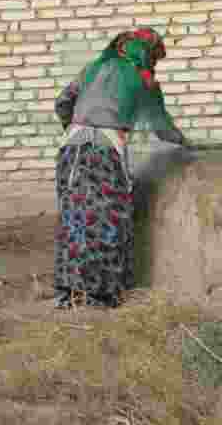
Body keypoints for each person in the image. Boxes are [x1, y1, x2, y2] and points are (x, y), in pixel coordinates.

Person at [53, 28, 187, 309]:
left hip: (70, 153)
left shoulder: (94, 68)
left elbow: (63, 102)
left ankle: (71, 293)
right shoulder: (144, 80)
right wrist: (187, 145)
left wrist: (78, 128)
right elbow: (162, 128)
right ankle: (101, 296)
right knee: (106, 220)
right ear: (149, 55)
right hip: (104, 154)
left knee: (75, 219)